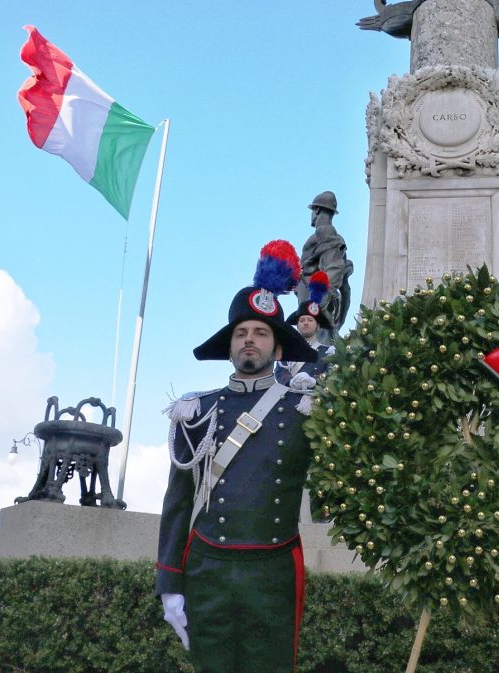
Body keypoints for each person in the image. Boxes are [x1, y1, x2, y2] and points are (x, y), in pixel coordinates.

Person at [155, 239, 319, 673]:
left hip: (272, 571)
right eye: (241, 333)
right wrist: (169, 582)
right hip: (209, 568)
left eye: (261, 333)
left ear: (277, 346)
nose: (250, 340)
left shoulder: (305, 409)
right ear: (230, 345)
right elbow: (178, 502)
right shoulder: (198, 409)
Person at [296, 191, 354, 342]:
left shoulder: (325, 231)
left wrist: (319, 298)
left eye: (312, 211)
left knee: (319, 346)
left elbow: (334, 267)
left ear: (317, 210)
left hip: (315, 302)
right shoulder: (327, 234)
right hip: (311, 300)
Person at [277, 271, 336, 393]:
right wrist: (291, 382)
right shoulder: (287, 351)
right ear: (297, 325)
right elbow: (279, 372)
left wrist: (314, 381)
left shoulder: (328, 351)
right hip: (287, 400)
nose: (305, 323)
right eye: (302, 320)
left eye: (310, 320)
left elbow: (332, 375)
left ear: (318, 325)